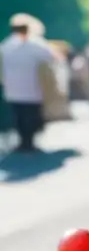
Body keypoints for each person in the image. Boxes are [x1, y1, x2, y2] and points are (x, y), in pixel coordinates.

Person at [0, 13, 58, 152]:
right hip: (32, 88)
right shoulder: (35, 44)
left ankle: (23, 141)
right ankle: (29, 142)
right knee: (31, 116)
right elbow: (51, 57)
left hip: (12, 89)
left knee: (19, 117)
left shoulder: (6, 45)